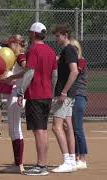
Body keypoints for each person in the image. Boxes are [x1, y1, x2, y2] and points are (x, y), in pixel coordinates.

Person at [17, 22, 57, 176]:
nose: (29, 34)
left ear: (34, 34)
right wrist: (51, 91)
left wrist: (21, 92)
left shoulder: (33, 50)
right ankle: (42, 164)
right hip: (46, 95)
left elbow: (30, 72)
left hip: (35, 95)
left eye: (30, 32)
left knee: (38, 131)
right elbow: (55, 75)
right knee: (43, 131)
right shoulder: (51, 51)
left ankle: (41, 166)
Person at [0, 35, 28, 173]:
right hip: (16, 94)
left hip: (17, 96)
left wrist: (11, 77)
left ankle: (18, 164)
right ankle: (17, 163)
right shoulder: (17, 58)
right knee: (14, 130)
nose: (9, 47)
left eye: (10, 44)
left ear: (16, 43)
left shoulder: (21, 56)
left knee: (15, 130)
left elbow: (28, 70)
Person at [51, 24, 80, 173]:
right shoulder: (67, 51)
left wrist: (63, 92)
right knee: (67, 126)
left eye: (57, 36)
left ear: (65, 35)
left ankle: (67, 160)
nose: (56, 39)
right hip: (68, 94)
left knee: (56, 127)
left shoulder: (69, 50)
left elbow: (74, 72)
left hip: (65, 95)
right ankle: (72, 160)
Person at [70, 39, 88, 169]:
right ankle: (75, 156)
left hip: (79, 97)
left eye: (73, 49)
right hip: (71, 97)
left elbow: (75, 72)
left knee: (78, 129)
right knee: (71, 129)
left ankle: (83, 158)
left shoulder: (81, 60)